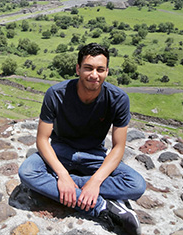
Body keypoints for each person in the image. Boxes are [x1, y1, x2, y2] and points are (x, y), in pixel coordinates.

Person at [18, 43, 146, 235]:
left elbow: (119, 147)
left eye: (100, 69)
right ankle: (103, 207)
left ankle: (68, 186)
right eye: (88, 68)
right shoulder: (56, 94)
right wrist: (62, 175)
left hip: (94, 154)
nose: (94, 74)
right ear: (78, 69)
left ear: (106, 71)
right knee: (27, 172)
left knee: (136, 185)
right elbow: (42, 140)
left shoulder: (118, 99)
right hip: (61, 151)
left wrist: (94, 182)